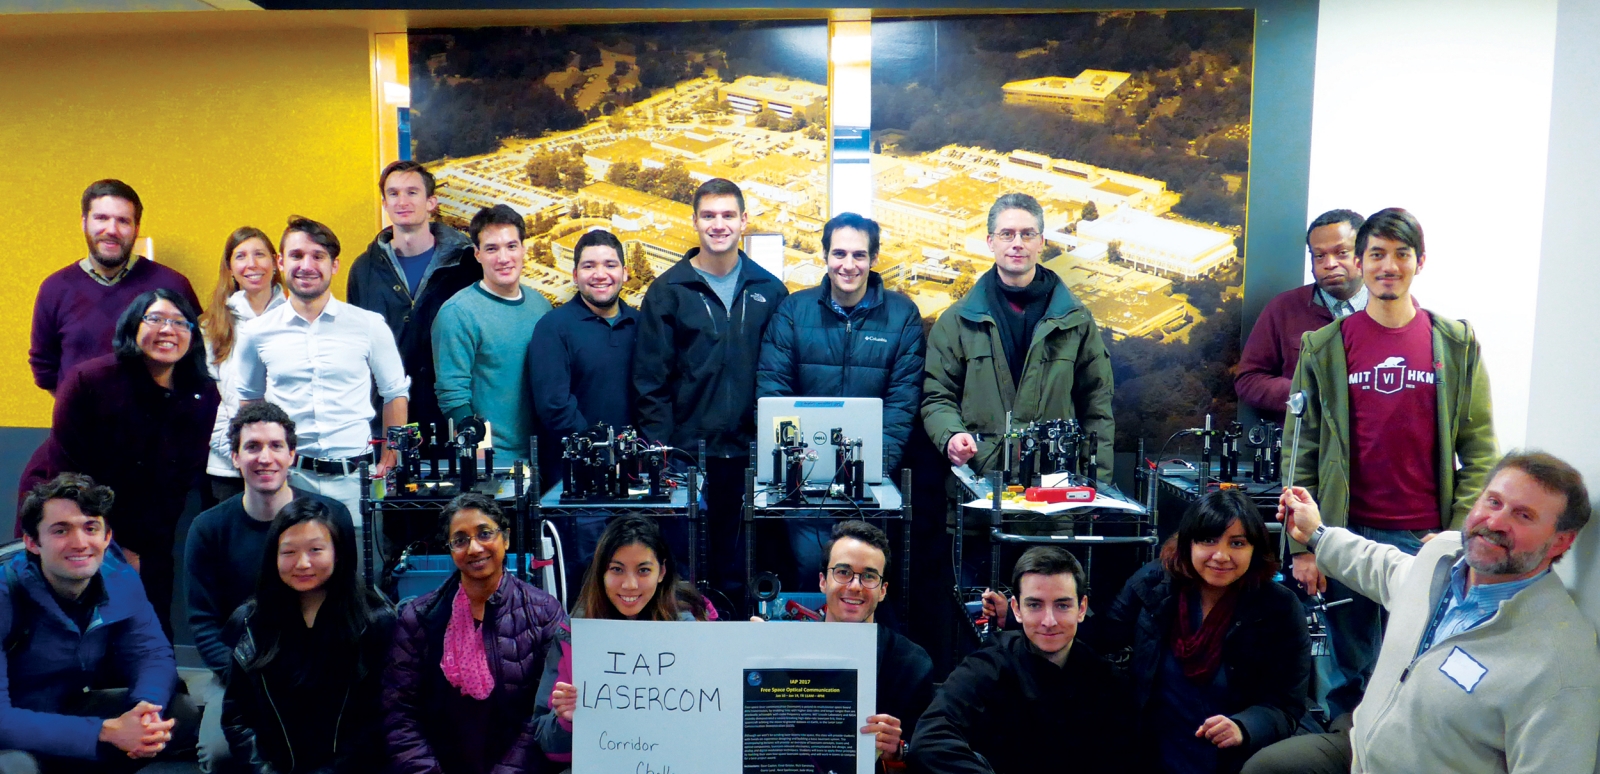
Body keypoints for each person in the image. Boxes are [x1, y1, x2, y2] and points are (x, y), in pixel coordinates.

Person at [1244, 451, 1600, 774]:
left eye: (1523, 515)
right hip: (1362, 752)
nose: (1494, 522)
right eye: (1493, 501)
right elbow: (1383, 567)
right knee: (1267, 768)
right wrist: (1316, 534)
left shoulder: (1559, 661)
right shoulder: (1443, 557)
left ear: (1560, 541)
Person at [1284, 207, 1497, 719]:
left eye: (1401, 254)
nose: (1388, 266)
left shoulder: (1454, 343)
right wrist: (1305, 546)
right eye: (1376, 254)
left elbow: (1481, 448)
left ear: (1419, 261)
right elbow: (1301, 452)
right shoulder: (1325, 347)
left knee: (1418, 673)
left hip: (1424, 540)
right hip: (1345, 534)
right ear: (1360, 262)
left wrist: (1452, 535)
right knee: (1345, 678)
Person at [18, 290, 220, 638]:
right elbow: (69, 475)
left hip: (150, 523)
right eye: (155, 319)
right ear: (132, 326)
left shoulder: (202, 392)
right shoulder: (90, 380)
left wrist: (140, 549)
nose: (168, 330)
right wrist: (110, 544)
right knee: (74, 617)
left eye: (179, 322)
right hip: (70, 508)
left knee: (150, 614)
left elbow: (178, 482)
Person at [632, 178, 788, 603]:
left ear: (744, 221)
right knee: (684, 574)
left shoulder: (770, 290)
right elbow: (650, 382)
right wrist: (665, 454)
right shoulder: (668, 291)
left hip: (750, 458)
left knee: (743, 572)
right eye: (708, 216)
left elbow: (782, 374)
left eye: (727, 215)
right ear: (694, 221)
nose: (718, 225)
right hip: (687, 458)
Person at [183, 402, 353, 770]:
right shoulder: (208, 529)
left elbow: (348, 604)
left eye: (276, 446)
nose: (265, 457)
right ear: (234, 457)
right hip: (241, 675)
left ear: (292, 454)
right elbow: (203, 622)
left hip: (319, 672)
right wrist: (246, 679)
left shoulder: (332, 517)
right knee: (221, 754)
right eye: (253, 446)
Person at [756, 213, 925, 576]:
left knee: (862, 581)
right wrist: (797, 470)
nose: (848, 265)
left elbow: (902, 403)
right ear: (825, 256)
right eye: (839, 254)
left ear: (874, 258)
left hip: (870, 491)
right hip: (803, 489)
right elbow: (773, 392)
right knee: (812, 573)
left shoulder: (902, 315)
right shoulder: (792, 311)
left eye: (859, 255)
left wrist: (870, 472)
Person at [1093, 490, 1309, 773]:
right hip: (1153, 754)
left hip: (1233, 762)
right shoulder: (1154, 583)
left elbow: (1286, 705)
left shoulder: (1279, 608)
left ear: (1255, 549)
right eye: (1208, 540)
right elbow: (1100, 637)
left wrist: (1244, 726)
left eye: (1237, 543)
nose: (1221, 555)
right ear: (1187, 543)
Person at [236, 216, 410, 560]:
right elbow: (249, 403)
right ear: (282, 263)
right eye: (297, 255)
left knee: (360, 586)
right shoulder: (257, 332)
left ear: (334, 265)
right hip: (290, 479)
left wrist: (393, 453)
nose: (307, 265)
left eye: (318, 256)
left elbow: (395, 393)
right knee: (292, 578)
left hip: (356, 480)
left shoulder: (369, 326)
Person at [0, 473, 199, 774]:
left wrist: (144, 711)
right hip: (12, 725)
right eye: (60, 530)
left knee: (176, 711)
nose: (80, 543)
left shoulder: (117, 575)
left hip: (64, 708)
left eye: (91, 528)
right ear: (32, 542)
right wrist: (104, 731)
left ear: (107, 537)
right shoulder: (6, 593)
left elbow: (152, 654)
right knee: (16, 767)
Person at [922, 192, 1115, 483]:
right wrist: (951, 435)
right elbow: (937, 395)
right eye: (1007, 234)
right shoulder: (957, 321)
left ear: (1041, 242)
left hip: (1056, 490)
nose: (1017, 243)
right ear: (990, 242)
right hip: (981, 489)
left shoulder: (1075, 320)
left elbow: (1097, 406)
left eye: (1027, 234)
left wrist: (1096, 484)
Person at [382, 493, 567, 774]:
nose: (474, 548)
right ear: (450, 549)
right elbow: (399, 714)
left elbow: (543, 716)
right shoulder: (419, 618)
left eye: (484, 534)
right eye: (460, 540)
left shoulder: (543, 614)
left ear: (505, 538)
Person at [907, 547, 1131, 774]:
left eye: (1062, 605)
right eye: (1035, 605)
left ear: (1081, 609)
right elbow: (930, 740)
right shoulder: (987, 667)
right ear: (1017, 609)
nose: (1049, 621)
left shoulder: (1107, 681)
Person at [221, 497, 395, 773]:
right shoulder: (251, 621)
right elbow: (238, 718)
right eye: (288, 552)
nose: (302, 563)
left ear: (338, 552)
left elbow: (382, 719)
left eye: (315, 550)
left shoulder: (376, 620)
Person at [534, 515, 717, 766]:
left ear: (662, 572)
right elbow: (547, 745)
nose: (630, 585)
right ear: (601, 572)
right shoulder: (574, 633)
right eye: (617, 569)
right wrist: (567, 719)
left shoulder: (693, 623)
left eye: (643, 570)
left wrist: (756, 655)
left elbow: (721, 719)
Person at [528, 228, 640, 586]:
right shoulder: (553, 328)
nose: (600, 274)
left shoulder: (642, 324)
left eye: (610, 264)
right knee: (587, 582)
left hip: (635, 481)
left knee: (633, 580)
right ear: (575, 275)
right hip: (578, 485)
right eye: (589, 266)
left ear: (624, 272)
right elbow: (554, 406)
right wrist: (601, 454)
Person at [29, 179, 200, 394]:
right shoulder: (55, 288)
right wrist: (74, 408)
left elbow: (195, 356)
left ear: (136, 228)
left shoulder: (173, 285)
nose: (112, 230)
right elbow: (44, 366)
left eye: (123, 221)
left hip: (156, 425)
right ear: (84, 222)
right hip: (81, 425)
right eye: (101, 218)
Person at [347, 160, 479, 435]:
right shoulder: (364, 269)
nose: (402, 201)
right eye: (393, 193)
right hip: (384, 421)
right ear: (384, 203)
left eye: (412, 192)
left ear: (431, 202)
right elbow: (355, 349)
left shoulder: (466, 265)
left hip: (451, 416)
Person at [432, 204, 552, 466]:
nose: (503, 257)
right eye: (491, 248)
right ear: (477, 255)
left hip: (541, 457)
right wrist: (479, 455)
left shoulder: (541, 306)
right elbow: (452, 396)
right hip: (491, 462)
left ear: (523, 250)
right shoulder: (458, 313)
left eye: (511, 246)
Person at [814, 520, 933, 769]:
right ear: (823, 581)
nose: (855, 587)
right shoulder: (786, 650)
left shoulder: (911, 664)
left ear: (882, 590)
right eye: (843, 572)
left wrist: (898, 752)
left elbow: (925, 754)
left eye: (868, 576)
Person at [1235, 210, 1367, 423]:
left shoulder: (1391, 310)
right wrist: (1308, 394)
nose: (1329, 263)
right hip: (1304, 445)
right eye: (1320, 255)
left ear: (1364, 252)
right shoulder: (1284, 308)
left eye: (1341, 252)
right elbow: (1248, 380)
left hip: (1368, 445)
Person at [199, 227, 286, 508]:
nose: (251, 264)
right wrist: (242, 453)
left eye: (260, 254)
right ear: (230, 268)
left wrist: (277, 455)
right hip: (229, 469)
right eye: (241, 256)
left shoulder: (298, 319)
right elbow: (205, 402)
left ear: (275, 262)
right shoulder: (211, 326)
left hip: (289, 468)